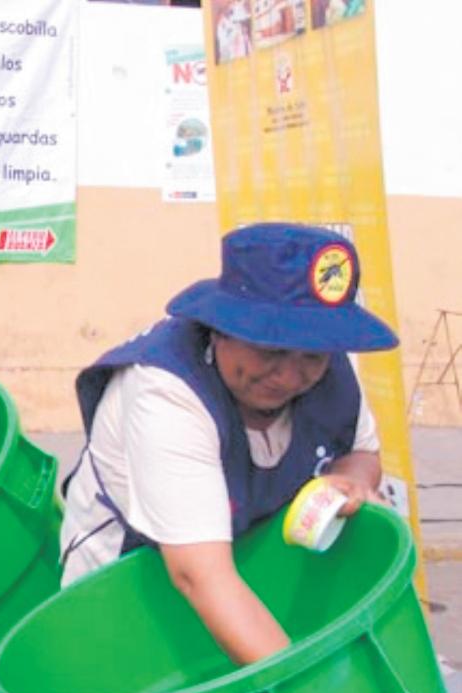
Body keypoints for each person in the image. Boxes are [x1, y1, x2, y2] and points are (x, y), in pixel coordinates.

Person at [59, 223, 397, 665]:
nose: (290, 376)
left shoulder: (329, 369)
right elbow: (199, 576)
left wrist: (348, 481)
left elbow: (360, 452)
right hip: (130, 588)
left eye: (312, 355)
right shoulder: (166, 391)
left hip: (239, 582)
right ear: (220, 329)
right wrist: (302, 688)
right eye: (271, 349)